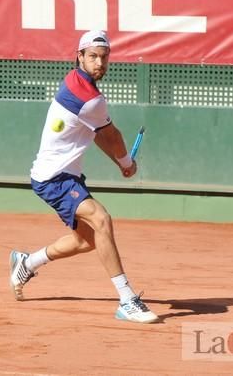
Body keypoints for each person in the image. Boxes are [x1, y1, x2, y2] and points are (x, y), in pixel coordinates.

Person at [9, 30, 158, 324]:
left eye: (104, 57)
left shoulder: (75, 82)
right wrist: (126, 163)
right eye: (92, 57)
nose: (99, 63)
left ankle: (27, 262)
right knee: (101, 219)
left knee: (86, 241)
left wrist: (120, 164)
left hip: (65, 176)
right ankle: (127, 300)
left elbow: (99, 133)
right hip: (54, 178)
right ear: (79, 57)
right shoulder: (88, 98)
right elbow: (112, 136)